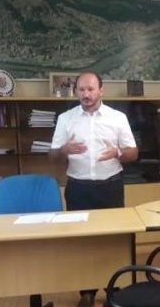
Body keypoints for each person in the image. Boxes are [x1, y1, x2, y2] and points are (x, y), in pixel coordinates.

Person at [50, 71, 138, 210]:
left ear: (101, 91)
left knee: (115, 224)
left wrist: (117, 153)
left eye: (90, 89)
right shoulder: (65, 118)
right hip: (78, 189)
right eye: (81, 90)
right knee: (79, 224)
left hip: (110, 188)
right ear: (76, 91)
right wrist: (63, 150)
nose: (86, 94)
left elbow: (133, 153)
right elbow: (52, 157)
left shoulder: (118, 117)